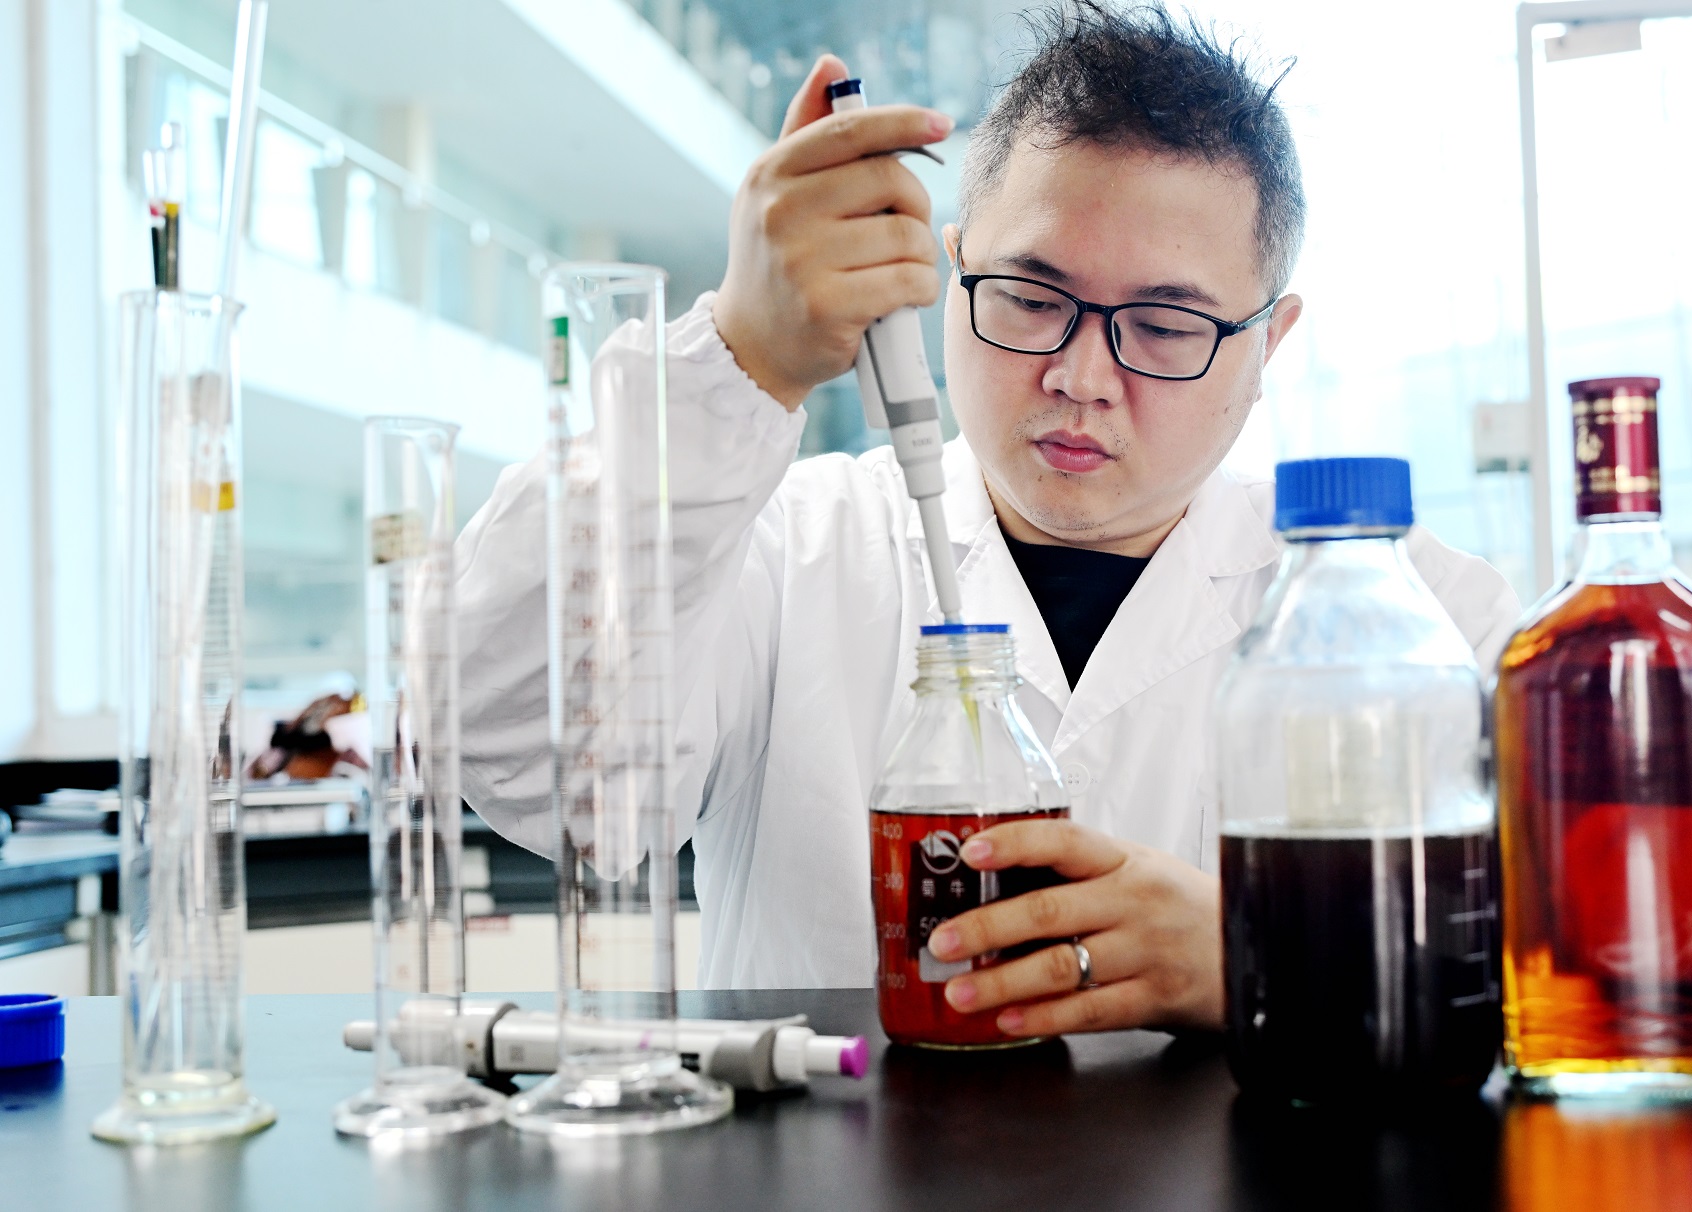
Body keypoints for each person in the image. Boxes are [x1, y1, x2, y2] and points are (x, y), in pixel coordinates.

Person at [456, 2, 1520, 1038]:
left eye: (1164, 324)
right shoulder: (782, 550)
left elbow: (1561, 955)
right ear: (953, 267)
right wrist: (742, 356)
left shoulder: (1423, 619)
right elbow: (524, 769)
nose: (1080, 376)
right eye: (1029, 297)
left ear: (1268, 342)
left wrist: (1266, 951)